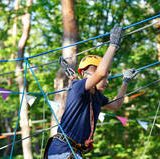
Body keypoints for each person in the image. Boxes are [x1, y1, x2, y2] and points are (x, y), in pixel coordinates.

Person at [44, 26, 138, 159]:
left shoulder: (97, 98)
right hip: (62, 150)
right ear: (87, 74)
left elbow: (116, 106)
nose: (107, 81)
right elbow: (100, 73)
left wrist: (125, 82)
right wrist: (113, 46)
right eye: (104, 77)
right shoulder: (77, 87)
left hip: (74, 152)